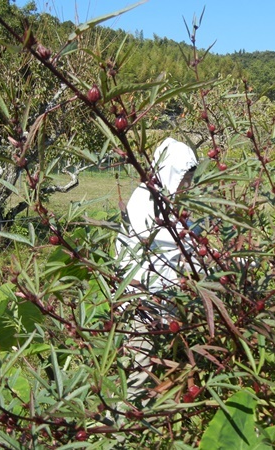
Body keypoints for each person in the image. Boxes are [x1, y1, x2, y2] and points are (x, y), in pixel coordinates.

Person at [115, 137, 199, 401]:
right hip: (141, 303)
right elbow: (174, 250)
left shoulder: (170, 203)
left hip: (164, 301)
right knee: (140, 371)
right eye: (185, 177)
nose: (189, 184)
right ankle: (126, 427)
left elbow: (189, 242)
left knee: (166, 366)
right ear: (171, 172)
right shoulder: (146, 202)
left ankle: (157, 420)